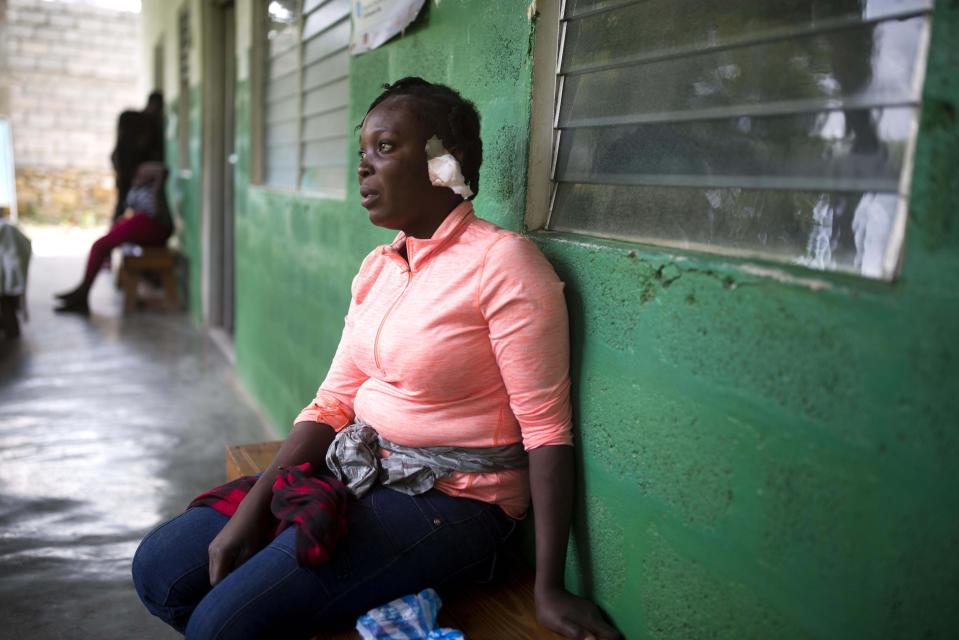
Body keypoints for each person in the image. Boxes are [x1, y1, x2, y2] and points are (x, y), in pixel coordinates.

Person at [130, 77, 621, 640]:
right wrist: (253, 510)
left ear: (443, 163)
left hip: (456, 503)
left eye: (385, 149)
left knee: (223, 625)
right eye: (362, 153)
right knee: (161, 569)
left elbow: (547, 429)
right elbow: (334, 401)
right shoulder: (379, 267)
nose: (364, 169)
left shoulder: (504, 263)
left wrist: (549, 587)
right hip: (363, 466)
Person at [55, 162, 172, 314]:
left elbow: (162, 174)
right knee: (104, 241)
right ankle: (82, 290)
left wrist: (156, 182)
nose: (143, 174)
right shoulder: (138, 185)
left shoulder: (156, 190)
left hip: (153, 228)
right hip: (143, 224)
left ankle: (82, 292)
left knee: (100, 245)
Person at [111, 91, 165, 223]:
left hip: (132, 172)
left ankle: (118, 232)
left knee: (129, 206)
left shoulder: (136, 120)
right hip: (130, 171)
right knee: (124, 204)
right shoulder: (139, 121)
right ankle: (116, 232)